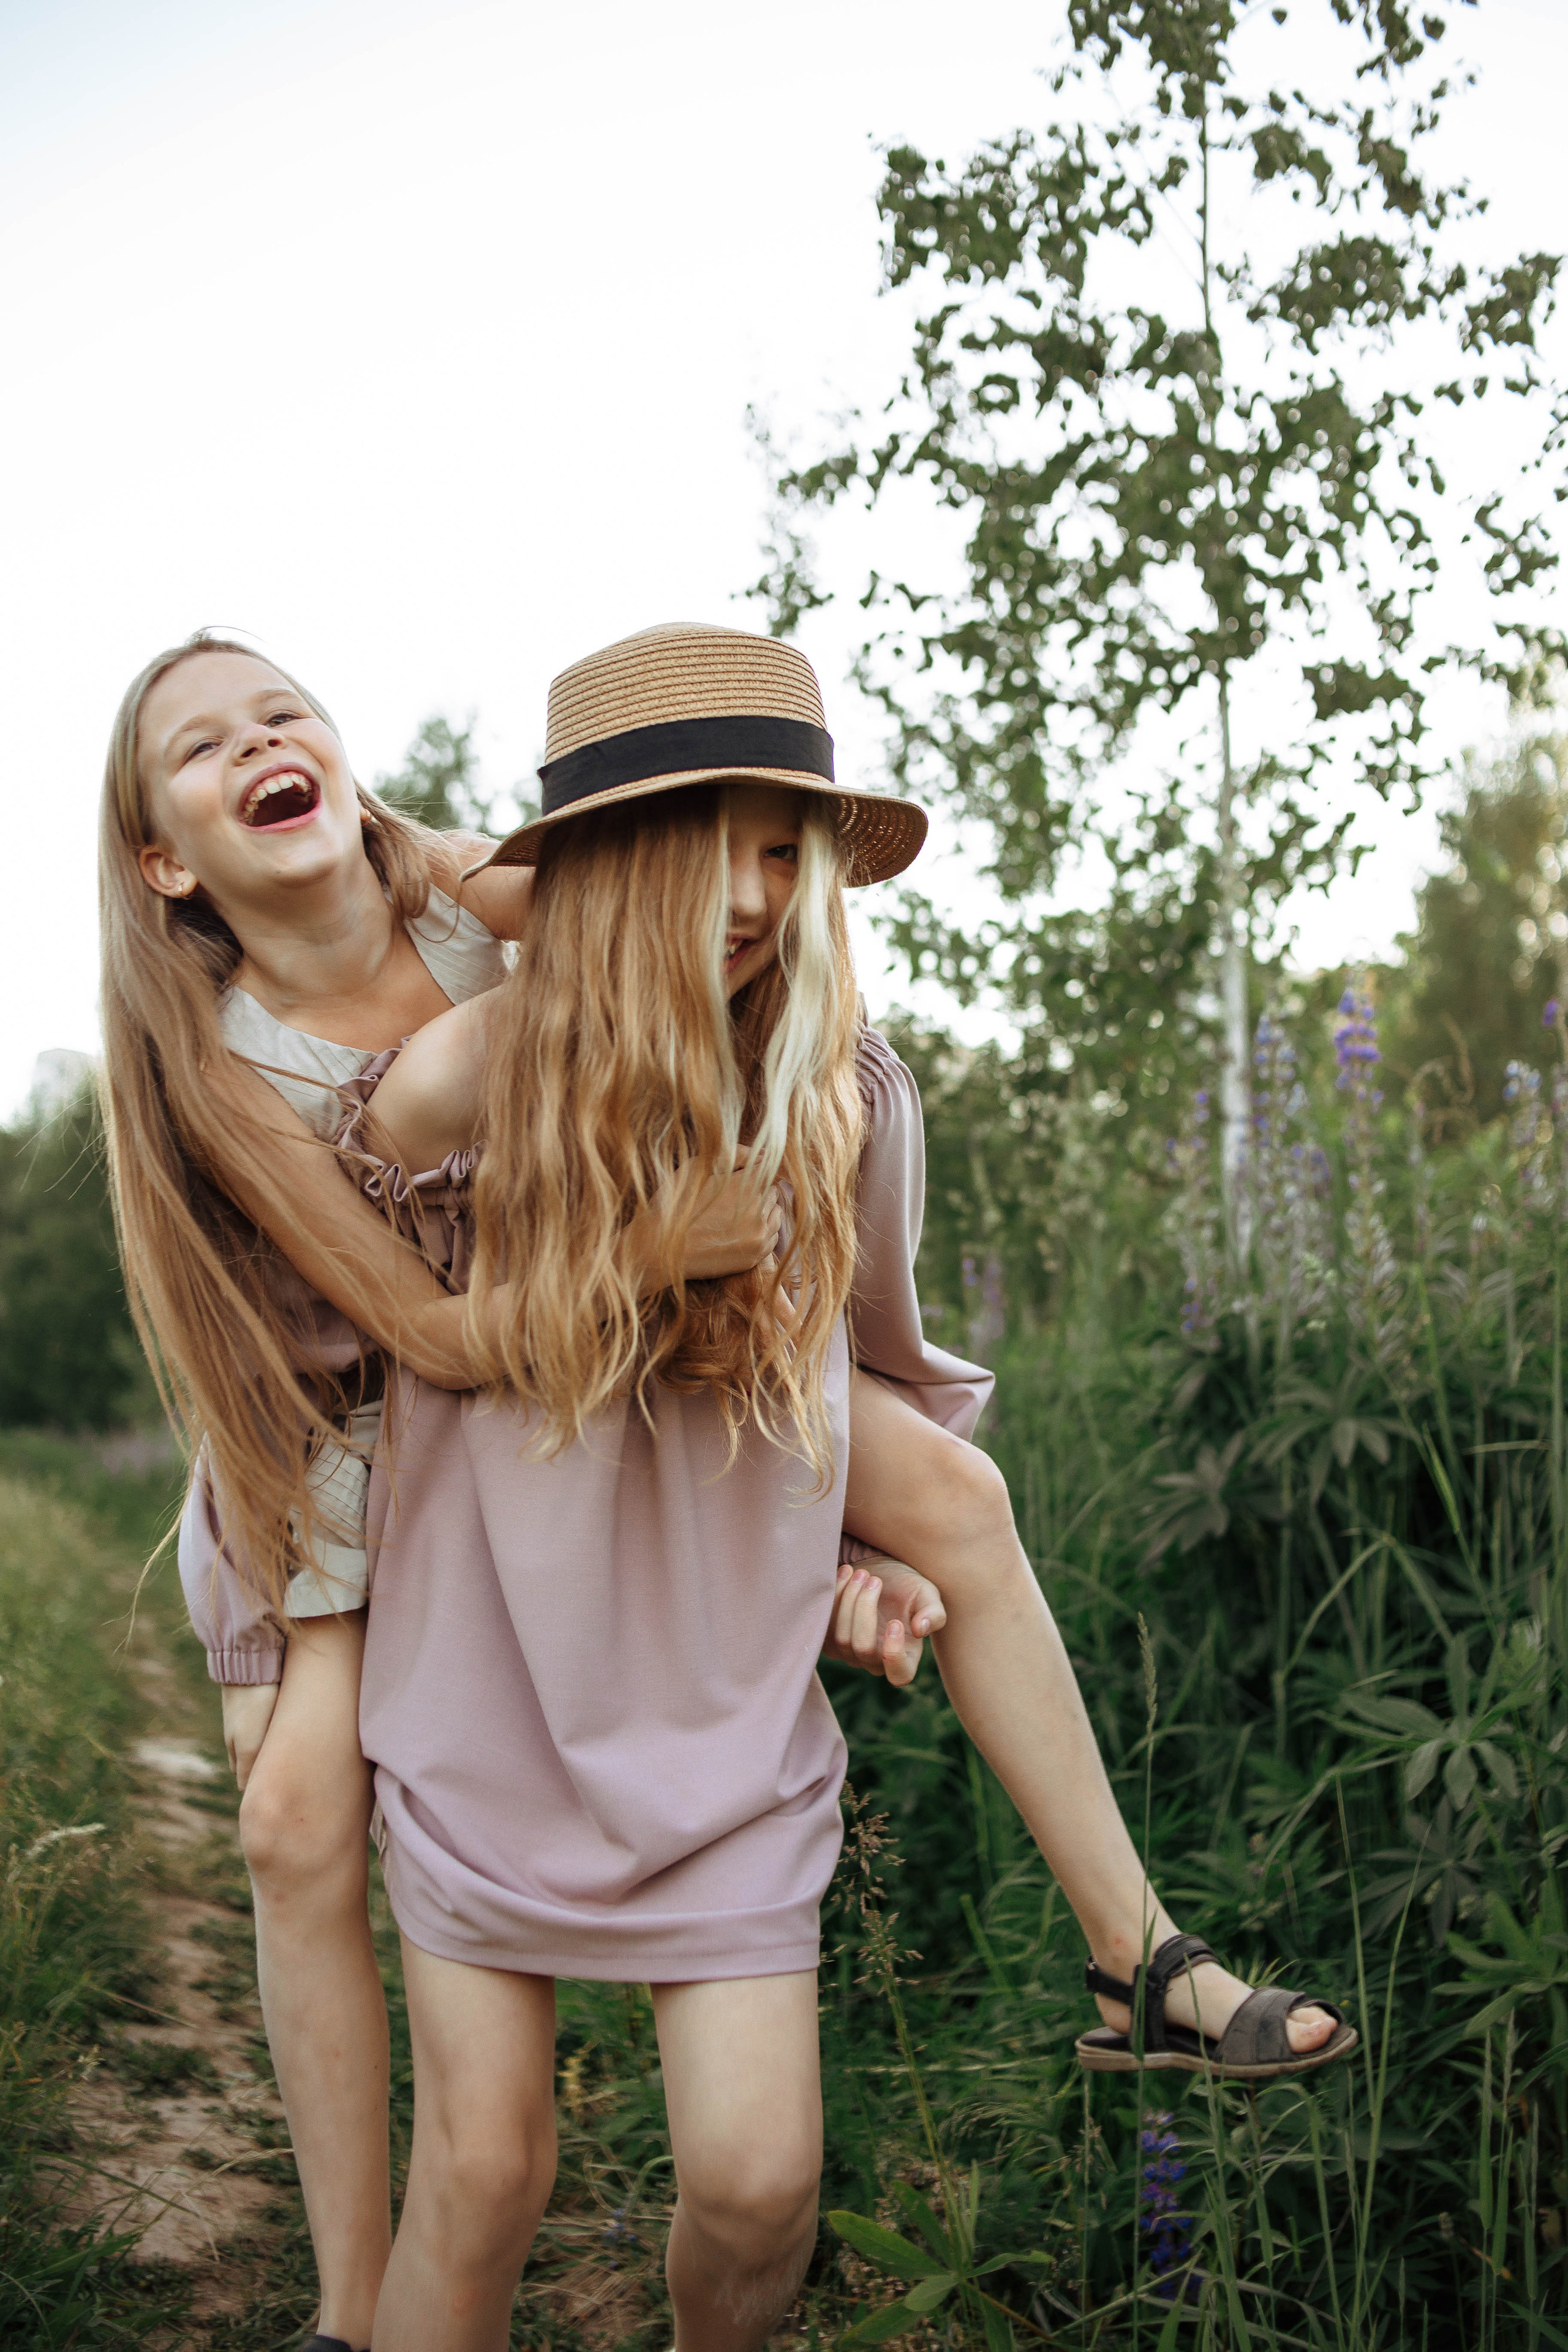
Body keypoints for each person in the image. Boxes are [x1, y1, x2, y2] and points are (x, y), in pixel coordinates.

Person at [345, 624, 1356, 2352]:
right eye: (710, 848)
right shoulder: (475, 1076)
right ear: (613, 868)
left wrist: (843, 1567)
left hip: (714, 1697)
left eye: (783, 850)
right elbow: (361, 1349)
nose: (755, 895)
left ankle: (1137, 1951)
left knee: (761, 2191)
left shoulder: (843, 1093)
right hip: (499, 1674)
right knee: (481, 2176)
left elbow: (851, 1377)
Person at [98, 631, 944, 2352]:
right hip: (349, 1442)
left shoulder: (461, 901)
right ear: (167, 863)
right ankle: (351, 2302)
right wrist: (647, 1251)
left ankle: (1110, 1915)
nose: (259, 741)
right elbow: (414, 1339)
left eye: (284, 712)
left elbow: (657, 915)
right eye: (202, 745)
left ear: (341, 769)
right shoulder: (221, 1069)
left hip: (549, 1390)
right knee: (290, 1822)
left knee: (953, 1506)